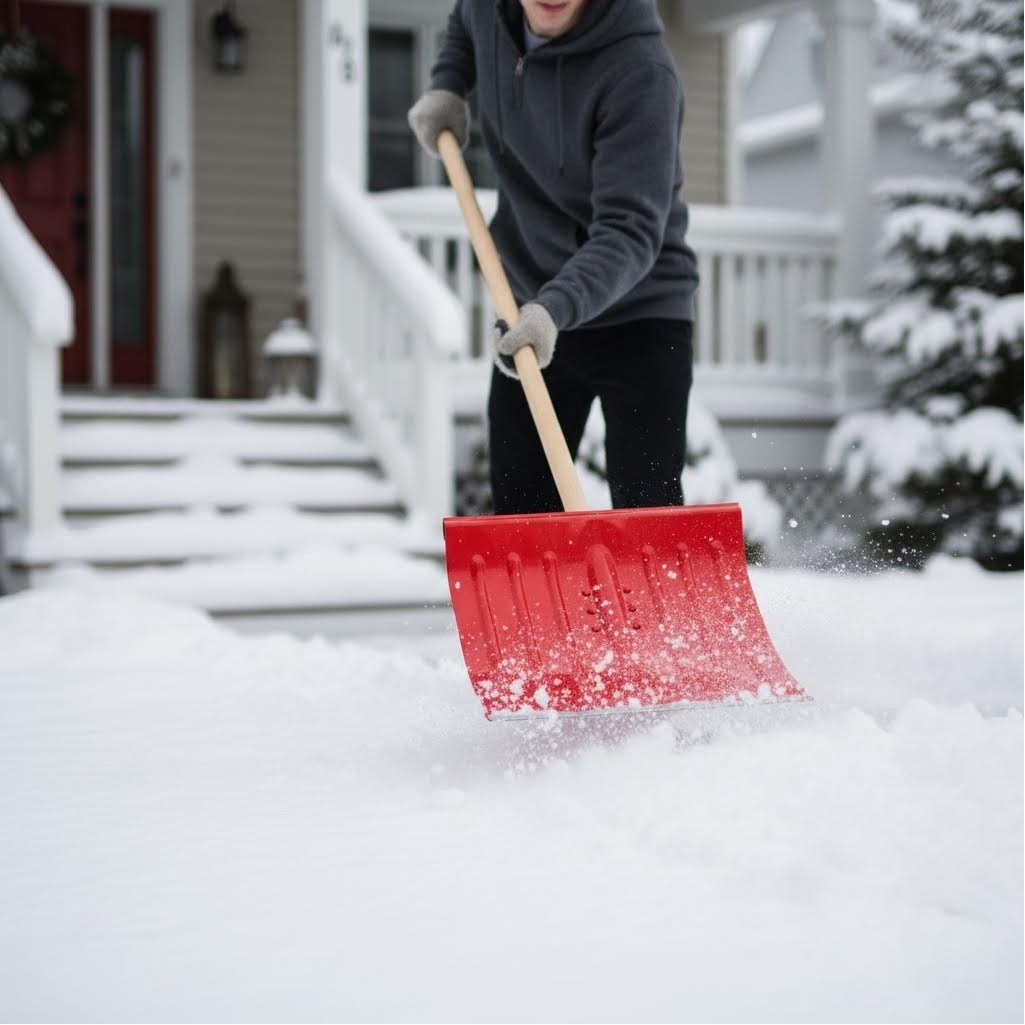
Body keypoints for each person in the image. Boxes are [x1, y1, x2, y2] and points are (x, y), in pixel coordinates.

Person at [408, 0, 699, 514]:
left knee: (646, 511)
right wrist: (448, 84)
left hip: (640, 313)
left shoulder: (640, 72)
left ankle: (659, 600)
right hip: (528, 304)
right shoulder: (488, 9)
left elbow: (629, 230)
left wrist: (554, 309)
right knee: (524, 513)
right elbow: (463, 24)